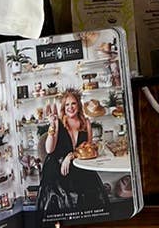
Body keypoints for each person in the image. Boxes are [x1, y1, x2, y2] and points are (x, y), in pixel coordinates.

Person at [36, 88, 108, 221]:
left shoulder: (86, 123)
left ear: (78, 105)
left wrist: (70, 156)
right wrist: (52, 125)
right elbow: (49, 150)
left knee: (91, 194)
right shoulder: (58, 122)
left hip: (78, 165)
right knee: (64, 197)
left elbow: (87, 150)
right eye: (67, 105)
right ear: (63, 108)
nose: (70, 107)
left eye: (73, 103)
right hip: (57, 168)